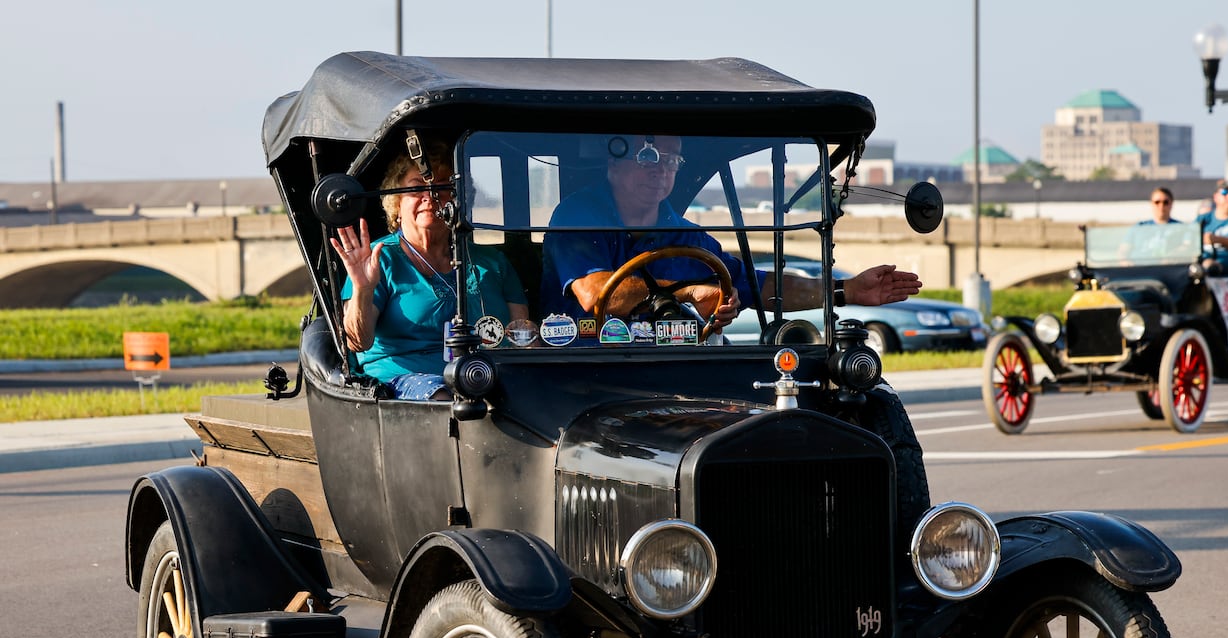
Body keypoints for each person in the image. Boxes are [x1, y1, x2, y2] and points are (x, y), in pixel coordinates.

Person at [541, 134, 921, 332]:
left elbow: (756, 286)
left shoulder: (688, 239)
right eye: (648, 157)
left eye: (671, 160)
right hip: (576, 367)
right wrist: (686, 291)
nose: (661, 170)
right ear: (613, 163)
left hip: (665, 369)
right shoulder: (578, 215)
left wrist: (847, 290)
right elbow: (595, 294)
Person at [332, 143, 528, 399]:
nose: (430, 196)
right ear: (397, 203)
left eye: (443, 187)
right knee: (442, 397)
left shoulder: (493, 262)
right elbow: (357, 341)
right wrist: (363, 289)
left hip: (486, 376)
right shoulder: (380, 259)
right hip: (406, 383)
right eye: (417, 187)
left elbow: (522, 335)